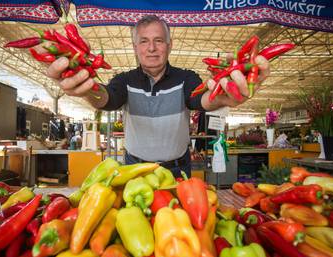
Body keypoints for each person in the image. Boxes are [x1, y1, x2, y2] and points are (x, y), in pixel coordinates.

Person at [46, 15, 270, 177]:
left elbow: (199, 99)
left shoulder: (185, 78)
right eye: (144, 41)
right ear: (135, 47)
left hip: (177, 169)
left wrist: (222, 98)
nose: (151, 48)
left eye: (158, 40)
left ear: (169, 46)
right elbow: (109, 99)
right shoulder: (124, 80)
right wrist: (89, 90)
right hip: (134, 169)